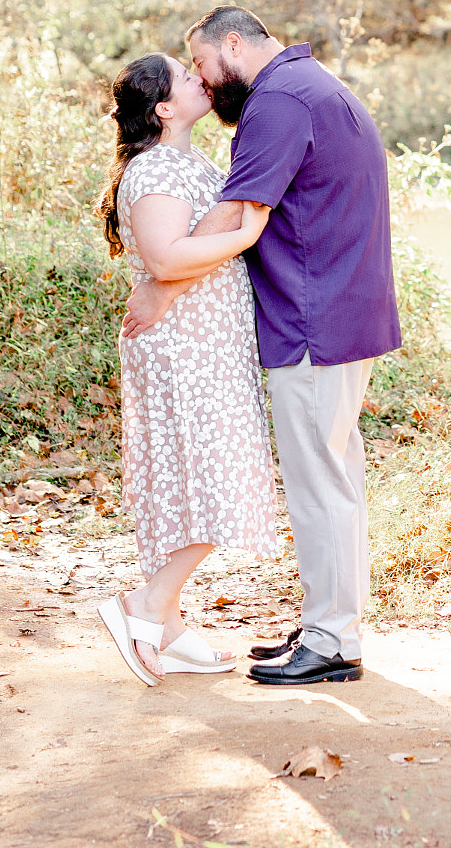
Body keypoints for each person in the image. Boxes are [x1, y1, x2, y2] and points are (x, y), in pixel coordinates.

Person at [123, 7, 400, 686]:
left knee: (320, 485)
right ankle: (330, 625)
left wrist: (167, 282)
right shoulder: (311, 85)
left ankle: (333, 640)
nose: (207, 85)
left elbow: (233, 210)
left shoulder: (277, 102)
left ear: (235, 45)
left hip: (314, 318)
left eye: (204, 65)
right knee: (336, 479)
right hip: (338, 310)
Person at [91, 52, 282, 686]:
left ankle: (166, 625)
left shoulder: (187, 162)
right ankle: (144, 605)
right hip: (182, 350)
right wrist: (246, 236)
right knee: (220, 478)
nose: (201, 78)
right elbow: (169, 259)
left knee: (190, 480)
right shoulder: (154, 171)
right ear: (163, 108)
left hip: (206, 344)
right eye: (184, 76)